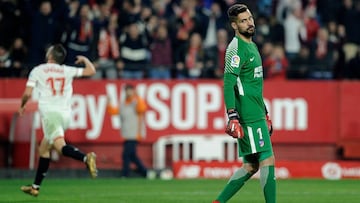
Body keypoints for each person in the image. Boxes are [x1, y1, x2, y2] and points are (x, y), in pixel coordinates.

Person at [213, 4, 276, 203]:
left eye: (249, 18)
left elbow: (253, 85)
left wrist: (265, 112)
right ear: (234, 25)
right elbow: (228, 83)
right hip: (248, 115)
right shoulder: (236, 48)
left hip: (257, 112)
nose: (249, 23)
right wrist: (232, 115)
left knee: (250, 166)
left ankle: (218, 202)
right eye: (243, 21)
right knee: (267, 159)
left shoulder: (252, 45)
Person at [18, 44, 97, 197]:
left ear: (50, 55)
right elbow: (91, 71)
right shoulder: (66, 70)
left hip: (50, 114)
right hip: (65, 114)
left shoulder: (38, 70)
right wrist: (86, 59)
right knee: (44, 149)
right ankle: (35, 187)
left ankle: (86, 158)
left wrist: (22, 105)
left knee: (60, 147)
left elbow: (27, 93)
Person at [107, 84, 148, 177]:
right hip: (127, 133)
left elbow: (142, 108)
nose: (128, 92)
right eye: (127, 90)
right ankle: (144, 172)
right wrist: (108, 104)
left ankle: (125, 174)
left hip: (134, 133)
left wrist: (137, 97)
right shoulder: (123, 104)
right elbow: (113, 112)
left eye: (130, 90)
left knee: (126, 155)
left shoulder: (136, 102)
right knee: (132, 155)